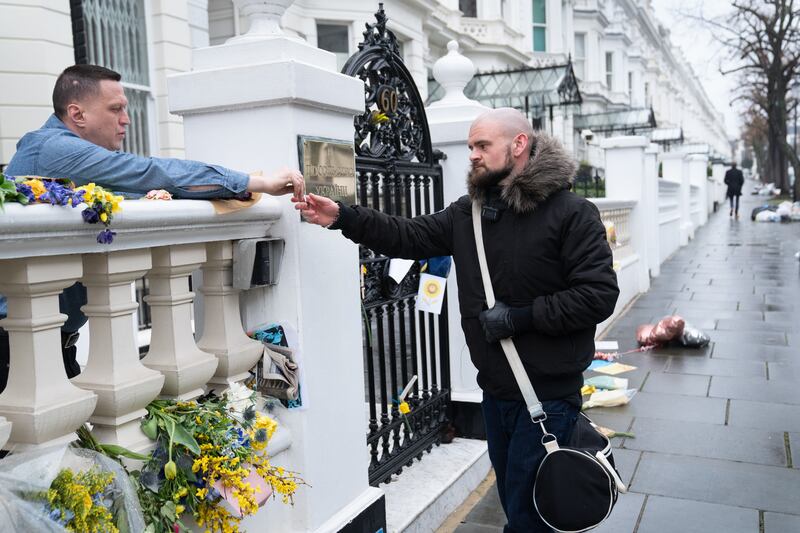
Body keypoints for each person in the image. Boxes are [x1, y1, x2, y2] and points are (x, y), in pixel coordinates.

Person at [296, 108, 619, 532]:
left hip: (548, 398)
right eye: (470, 147)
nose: (473, 155)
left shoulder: (572, 213)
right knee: (519, 508)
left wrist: (520, 318)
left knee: (531, 520)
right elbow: (407, 235)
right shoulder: (468, 213)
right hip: (496, 396)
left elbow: (598, 295)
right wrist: (343, 217)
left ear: (518, 145)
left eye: (482, 145)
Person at [0, 64, 304, 391]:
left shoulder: (67, 158)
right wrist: (257, 182)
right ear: (78, 114)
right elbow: (146, 171)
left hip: (52, 342)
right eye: (115, 109)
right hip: (14, 345)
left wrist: (145, 198)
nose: (126, 119)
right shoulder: (51, 148)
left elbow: (114, 191)